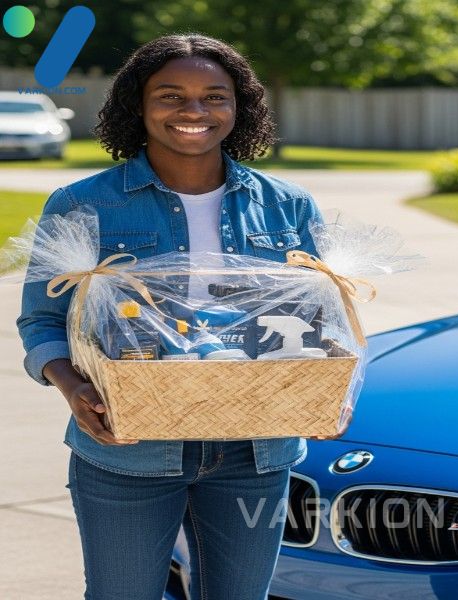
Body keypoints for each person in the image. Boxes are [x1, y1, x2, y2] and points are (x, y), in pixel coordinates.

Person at [16, 33, 323, 599]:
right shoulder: (83, 203)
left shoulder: (290, 206)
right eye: (171, 96)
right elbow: (40, 320)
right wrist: (69, 385)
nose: (194, 111)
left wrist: (329, 386)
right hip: (126, 445)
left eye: (214, 95)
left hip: (254, 451)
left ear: (240, 105)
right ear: (139, 104)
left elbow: (317, 323)